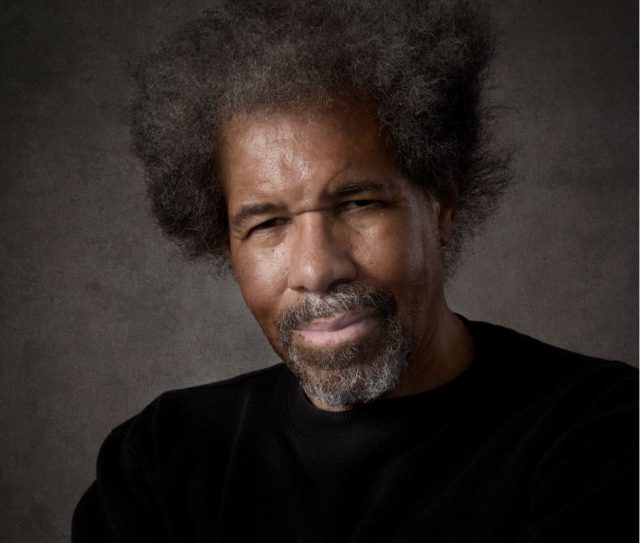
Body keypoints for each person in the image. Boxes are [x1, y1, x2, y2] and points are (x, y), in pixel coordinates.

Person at [72, 1, 638, 541]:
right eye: (268, 223)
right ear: (227, 247)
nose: (316, 269)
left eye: (358, 203)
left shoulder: (600, 427)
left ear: (442, 205)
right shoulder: (159, 459)